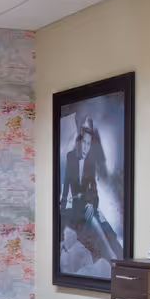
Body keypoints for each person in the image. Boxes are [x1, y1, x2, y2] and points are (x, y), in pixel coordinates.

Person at [60, 111, 123, 268]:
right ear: (79, 141)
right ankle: (112, 260)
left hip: (88, 205)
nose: (86, 148)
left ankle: (121, 260)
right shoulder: (70, 157)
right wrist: (64, 211)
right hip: (75, 206)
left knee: (106, 228)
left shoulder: (90, 162)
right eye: (84, 143)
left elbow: (93, 189)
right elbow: (66, 187)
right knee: (95, 225)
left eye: (89, 144)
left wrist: (91, 204)